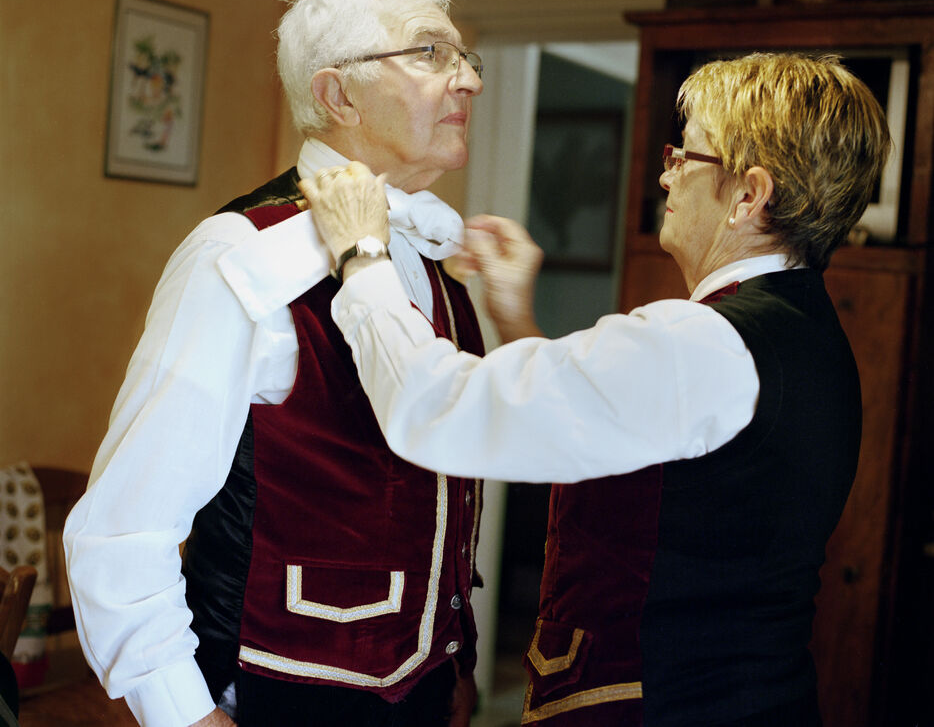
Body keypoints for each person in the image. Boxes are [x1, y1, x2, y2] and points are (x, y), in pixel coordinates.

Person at [302, 52, 892, 726]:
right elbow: (596, 431)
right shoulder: (805, 333)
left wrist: (362, 256)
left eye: (686, 155)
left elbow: (440, 410)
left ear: (749, 196)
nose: (667, 174)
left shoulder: (702, 343)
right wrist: (516, 321)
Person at [63, 0, 487, 727]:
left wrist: (455, 663)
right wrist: (181, 712)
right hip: (275, 692)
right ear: (338, 94)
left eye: (464, 57)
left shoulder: (435, 260)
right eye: (430, 52)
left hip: (425, 694)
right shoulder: (238, 255)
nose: (469, 80)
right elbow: (124, 525)